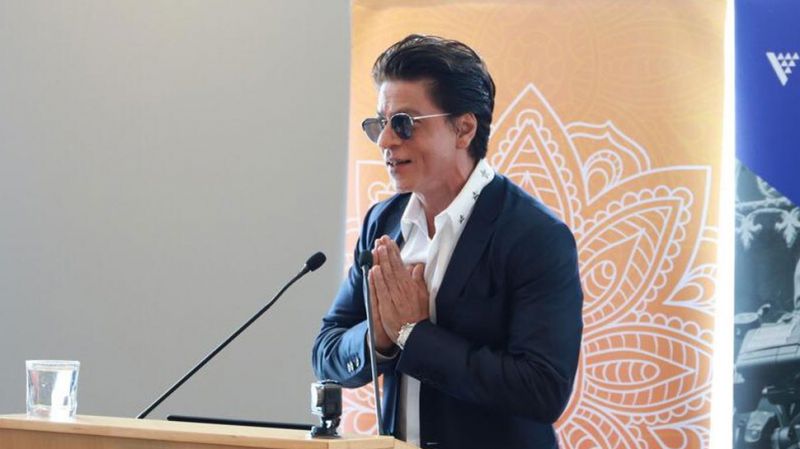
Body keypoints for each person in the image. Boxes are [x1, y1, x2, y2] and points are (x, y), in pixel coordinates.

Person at [312, 34, 583, 449]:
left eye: (404, 123)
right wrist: (379, 336)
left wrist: (413, 333)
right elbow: (327, 351)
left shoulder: (535, 236)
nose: (385, 141)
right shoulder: (382, 222)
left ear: (464, 129)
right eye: (380, 123)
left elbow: (542, 388)